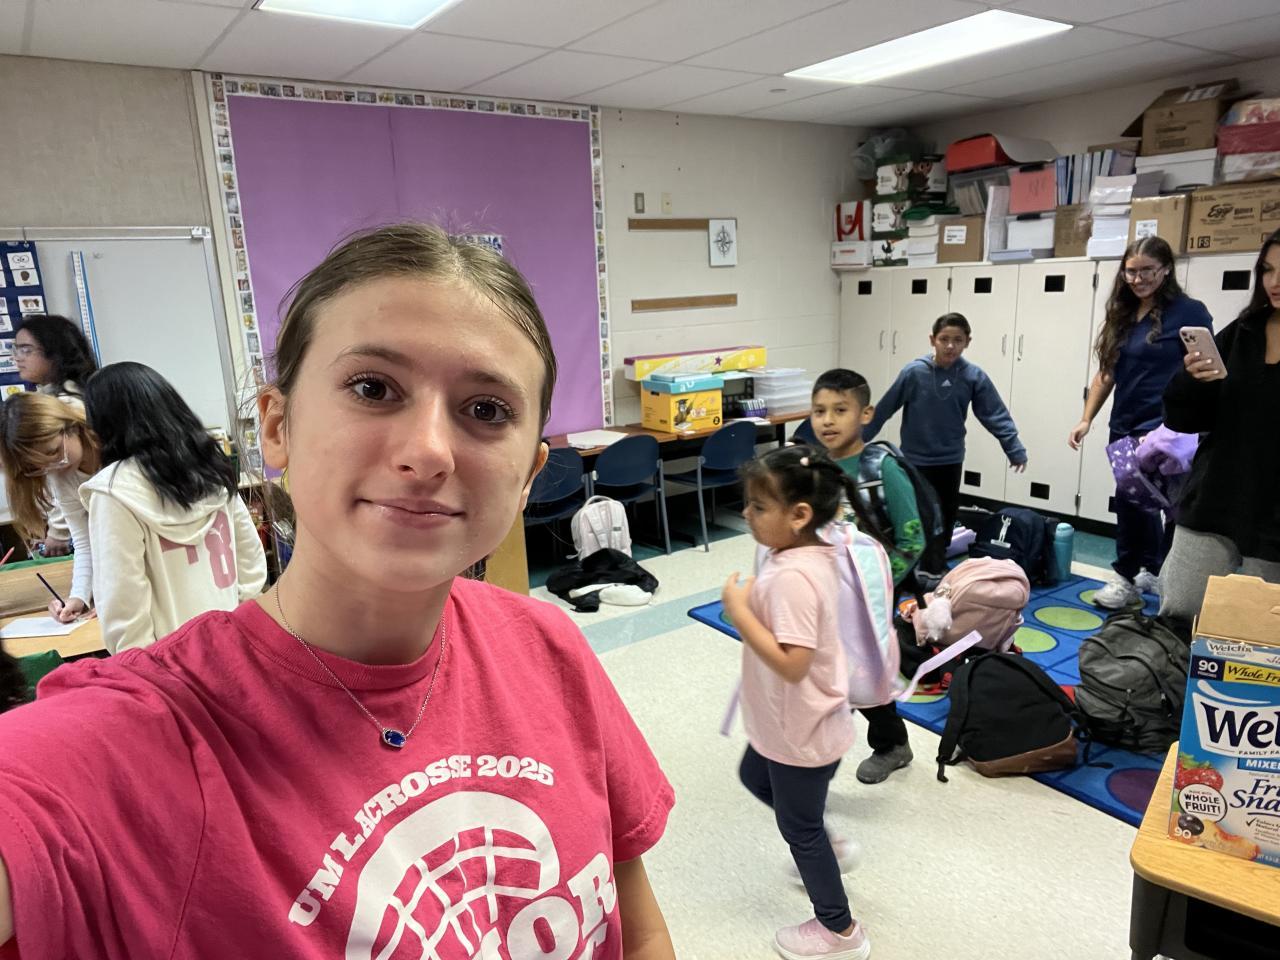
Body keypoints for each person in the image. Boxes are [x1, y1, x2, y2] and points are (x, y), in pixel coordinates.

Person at [0, 224, 675, 958]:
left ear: (528, 477)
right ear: (277, 427)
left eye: (486, 410)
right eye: (372, 388)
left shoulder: (548, 646)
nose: (427, 452)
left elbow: (636, 929)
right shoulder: (138, 741)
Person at [723, 444, 876, 960]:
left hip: (801, 728)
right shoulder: (807, 553)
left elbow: (793, 664)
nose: (746, 513)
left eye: (759, 506)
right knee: (754, 776)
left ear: (800, 515)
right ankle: (829, 845)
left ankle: (840, 931)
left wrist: (739, 613)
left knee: (799, 828)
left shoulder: (792, 576)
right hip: (793, 721)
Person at [80, 362, 268, 653]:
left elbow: (122, 605)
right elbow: (252, 562)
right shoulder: (209, 468)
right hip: (234, 646)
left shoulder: (113, 492)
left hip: (169, 664)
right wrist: (241, 633)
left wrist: (144, 668)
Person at [1067, 236, 1213, 609]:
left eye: (1147, 270)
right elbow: (1107, 373)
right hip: (1126, 426)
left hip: (1171, 430)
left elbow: (1209, 370)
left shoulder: (1189, 312)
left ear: (1166, 269)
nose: (1138, 279)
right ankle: (1129, 575)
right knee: (1131, 503)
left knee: (1173, 509)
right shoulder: (1122, 314)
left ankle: (1161, 574)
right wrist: (1086, 418)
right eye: (1130, 271)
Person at [1158, 228, 1280, 623]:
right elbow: (1185, 419)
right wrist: (1192, 379)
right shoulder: (1243, 333)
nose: (1275, 282)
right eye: (1267, 270)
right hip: (1215, 497)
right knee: (1179, 611)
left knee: (1260, 632)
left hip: (1274, 517)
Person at [810, 368, 916, 786]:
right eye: (819, 410)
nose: (828, 420)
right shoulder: (813, 468)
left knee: (865, 671)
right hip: (825, 593)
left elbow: (912, 537)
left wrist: (878, 586)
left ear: (866, 414)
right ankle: (817, 746)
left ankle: (892, 744)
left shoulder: (881, 468)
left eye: (840, 410)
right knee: (822, 669)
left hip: (870, 598)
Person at [863, 312, 1027, 578]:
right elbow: (884, 409)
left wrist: (1014, 448)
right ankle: (919, 567)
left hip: (950, 460)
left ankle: (935, 565)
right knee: (920, 517)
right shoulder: (914, 373)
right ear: (933, 340)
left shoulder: (973, 376)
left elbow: (994, 413)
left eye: (958, 340)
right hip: (915, 462)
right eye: (944, 339)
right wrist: (858, 442)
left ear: (967, 342)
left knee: (946, 517)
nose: (950, 346)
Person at [0, 392, 99, 622]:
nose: (56, 464)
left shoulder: (115, 450)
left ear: (69, 426)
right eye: (39, 465)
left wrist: (116, 595)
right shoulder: (60, 475)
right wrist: (79, 597)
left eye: (54, 451)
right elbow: (85, 541)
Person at [11, 314, 98, 557]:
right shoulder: (54, 397)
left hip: (90, 522)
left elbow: (68, 476)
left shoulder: (68, 406)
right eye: (15, 349)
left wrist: (59, 531)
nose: (17, 357)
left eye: (26, 349)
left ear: (55, 352)